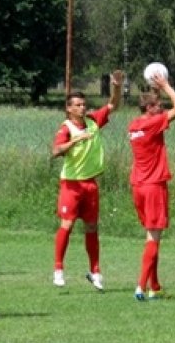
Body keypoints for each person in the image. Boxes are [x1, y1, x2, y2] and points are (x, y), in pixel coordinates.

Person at [50, 69, 124, 290]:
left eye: (84, 104)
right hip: (71, 184)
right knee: (67, 224)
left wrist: (117, 86)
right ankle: (58, 269)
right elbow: (55, 151)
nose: (83, 108)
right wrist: (75, 140)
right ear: (69, 108)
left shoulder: (93, 121)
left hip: (90, 183)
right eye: (78, 105)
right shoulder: (66, 128)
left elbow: (113, 105)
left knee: (92, 227)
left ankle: (95, 271)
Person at [128, 72, 175, 300]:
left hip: (138, 185)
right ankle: (140, 287)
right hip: (153, 185)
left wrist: (157, 91)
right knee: (153, 237)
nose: (162, 109)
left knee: (152, 237)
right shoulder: (153, 124)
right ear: (149, 108)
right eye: (158, 105)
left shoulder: (134, 125)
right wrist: (166, 85)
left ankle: (155, 287)